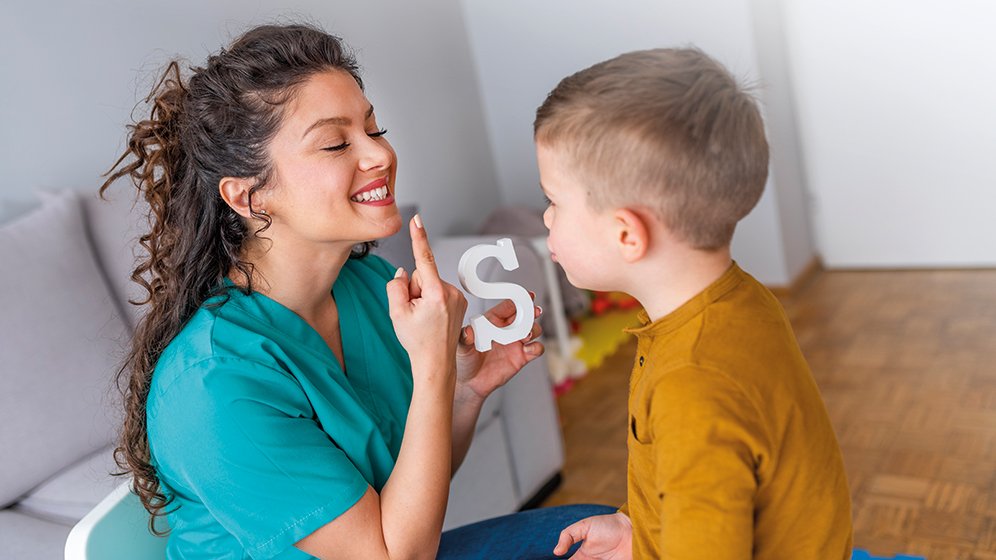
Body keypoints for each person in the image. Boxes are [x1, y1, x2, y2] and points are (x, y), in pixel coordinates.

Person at [103, 23, 611, 560]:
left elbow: (408, 493)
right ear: (249, 196)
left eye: (374, 128)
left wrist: (462, 392)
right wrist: (432, 368)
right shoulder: (213, 384)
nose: (380, 155)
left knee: (607, 538)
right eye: (336, 143)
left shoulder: (367, 286)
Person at [534, 48, 854, 559]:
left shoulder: (695, 385)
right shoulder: (737, 299)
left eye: (554, 201)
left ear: (626, 234)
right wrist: (636, 527)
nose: (546, 219)